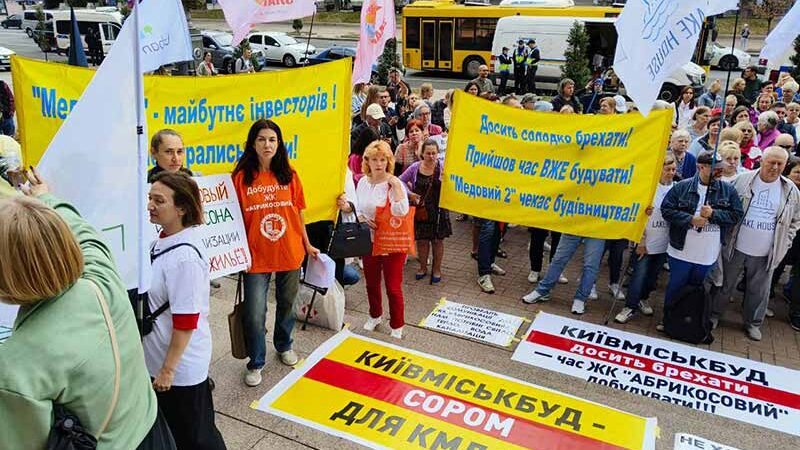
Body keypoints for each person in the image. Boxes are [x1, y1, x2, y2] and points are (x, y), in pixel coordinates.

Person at [0, 168, 174, 449]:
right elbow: (88, 237)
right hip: (153, 429)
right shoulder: (101, 281)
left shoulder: (13, 366)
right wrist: (47, 200)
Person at [232, 119, 320, 387]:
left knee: (287, 304)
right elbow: (231, 218)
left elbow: (299, 213)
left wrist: (307, 244)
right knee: (255, 313)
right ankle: (256, 361)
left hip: (289, 252)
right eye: (261, 139)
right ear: (252, 143)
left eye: (272, 139)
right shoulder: (240, 178)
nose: (267, 144)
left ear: (279, 143)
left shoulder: (290, 175)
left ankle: (284, 345)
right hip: (255, 256)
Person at [144, 172, 226, 450]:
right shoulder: (162, 241)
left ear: (181, 208)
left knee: (196, 438)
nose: (150, 206)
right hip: (159, 362)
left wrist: (168, 370)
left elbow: (186, 320)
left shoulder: (185, 258)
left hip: (179, 370)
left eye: (159, 200)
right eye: (150, 198)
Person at [711, 147, 800, 341]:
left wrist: (787, 240)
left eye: (780, 164)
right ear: (762, 161)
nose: (775, 167)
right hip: (736, 245)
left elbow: (795, 220)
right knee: (724, 284)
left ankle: (752, 323)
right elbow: (723, 204)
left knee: (759, 290)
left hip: (767, 251)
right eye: (771, 162)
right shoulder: (742, 181)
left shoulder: (791, 190)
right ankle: (714, 315)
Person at [659, 151, 744, 330]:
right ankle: (668, 320)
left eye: (721, 168)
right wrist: (690, 219)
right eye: (715, 169)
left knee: (697, 289)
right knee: (676, 286)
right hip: (681, 250)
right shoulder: (681, 187)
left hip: (708, 253)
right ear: (701, 167)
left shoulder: (728, 190)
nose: (720, 172)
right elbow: (666, 210)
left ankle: (688, 321)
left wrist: (714, 214)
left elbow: (736, 215)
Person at [356, 140, 410, 338]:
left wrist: (395, 185)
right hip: (369, 241)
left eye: (383, 159)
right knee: (371, 282)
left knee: (393, 287)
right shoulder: (363, 181)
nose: (379, 164)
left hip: (391, 242)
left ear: (388, 161)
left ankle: (397, 324)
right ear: (367, 161)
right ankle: (375, 315)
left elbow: (401, 211)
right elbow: (359, 208)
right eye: (374, 160)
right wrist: (360, 217)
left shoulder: (393, 183)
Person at [615, 153, 677, 323]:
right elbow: (637, 216)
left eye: (673, 169)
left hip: (665, 244)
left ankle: (643, 298)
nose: (671, 172)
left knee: (653, 277)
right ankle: (630, 306)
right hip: (646, 243)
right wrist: (640, 240)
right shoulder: (649, 189)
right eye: (667, 169)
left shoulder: (677, 188)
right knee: (638, 275)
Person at [400, 139, 451, 283]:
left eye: (434, 153)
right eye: (428, 153)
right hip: (421, 210)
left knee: (437, 241)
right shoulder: (415, 167)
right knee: (422, 241)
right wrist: (409, 193)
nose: (431, 156)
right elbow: (401, 181)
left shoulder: (443, 168)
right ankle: (423, 267)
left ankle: (437, 269)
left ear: (438, 153)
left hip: (439, 210)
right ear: (422, 154)